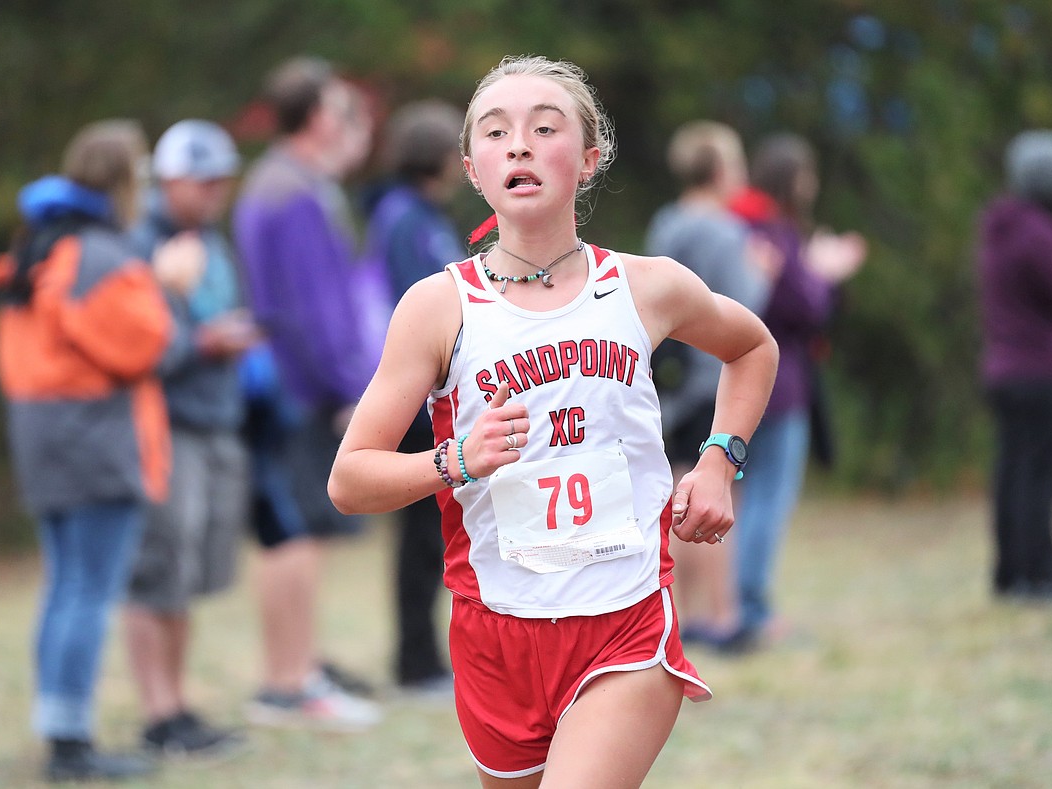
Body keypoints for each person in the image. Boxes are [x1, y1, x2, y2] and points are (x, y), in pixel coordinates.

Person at [328, 55, 779, 787]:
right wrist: (457, 459)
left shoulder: (647, 285)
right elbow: (349, 479)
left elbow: (753, 346)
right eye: (497, 132)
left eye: (545, 127)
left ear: (590, 158)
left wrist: (720, 460)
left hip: (624, 617)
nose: (520, 145)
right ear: (473, 167)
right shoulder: (437, 307)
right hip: (495, 630)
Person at [0, 120, 169, 782]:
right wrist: (167, 286)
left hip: (39, 433)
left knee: (63, 585)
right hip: (95, 436)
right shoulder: (106, 255)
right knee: (89, 589)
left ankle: (58, 723)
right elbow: (145, 345)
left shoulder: (38, 243)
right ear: (123, 180)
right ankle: (71, 743)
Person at [232, 55, 382, 729]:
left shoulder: (279, 181)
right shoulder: (295, 190)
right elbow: (317, 306)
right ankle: (290, 683)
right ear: (318, 115)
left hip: (289, 383)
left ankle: (297, 671)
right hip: (299, 389)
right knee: (293, 535)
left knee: (293, 533)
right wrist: (352, 385)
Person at [122, 119, 259, 756]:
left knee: (189, 572)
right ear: (168, 180)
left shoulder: (209, 240)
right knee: (158, 571)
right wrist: (204, 341)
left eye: (220, 181)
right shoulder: (137, 243)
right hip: (164, 423)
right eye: (201, 182)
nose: (214, 193)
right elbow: (134, 341)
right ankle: (158, 713)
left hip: (214, 420)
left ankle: (178, 705)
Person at [727, 132, 866, 650]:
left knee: (743, 497)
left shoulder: (736, 226)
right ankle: (754, 610)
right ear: (792, 181)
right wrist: (826, 272)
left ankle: (735, 606)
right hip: (779, 385)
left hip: (739, 382)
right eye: (807, 176)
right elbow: (806, 307)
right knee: (767, 497)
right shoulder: (773, 231)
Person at [644, 121, 775, 653]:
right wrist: (764, 271)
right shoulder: (725, 232)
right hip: (712, 382)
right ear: (721, 170)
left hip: (669, 384)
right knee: (718, 495)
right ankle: (725, 616)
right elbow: (747, 312)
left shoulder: (666, 224)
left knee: (678, 495)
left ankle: (687, 613)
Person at [361, 99, 468, 696]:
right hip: (413, 395)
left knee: (432, 532)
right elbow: (419, 305)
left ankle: (424, 656)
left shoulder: (419, 214)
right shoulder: (407, 219)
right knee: (422, 534)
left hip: (429, 395)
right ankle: (416, 661)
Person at [977, 129, 1052, 602]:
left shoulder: (1000, 226)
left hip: (1002, 369)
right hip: (1041, 369)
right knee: (1039, 477)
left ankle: (1008, 574)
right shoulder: (1040, 231)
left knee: (1011, 474)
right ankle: (1040, 577)